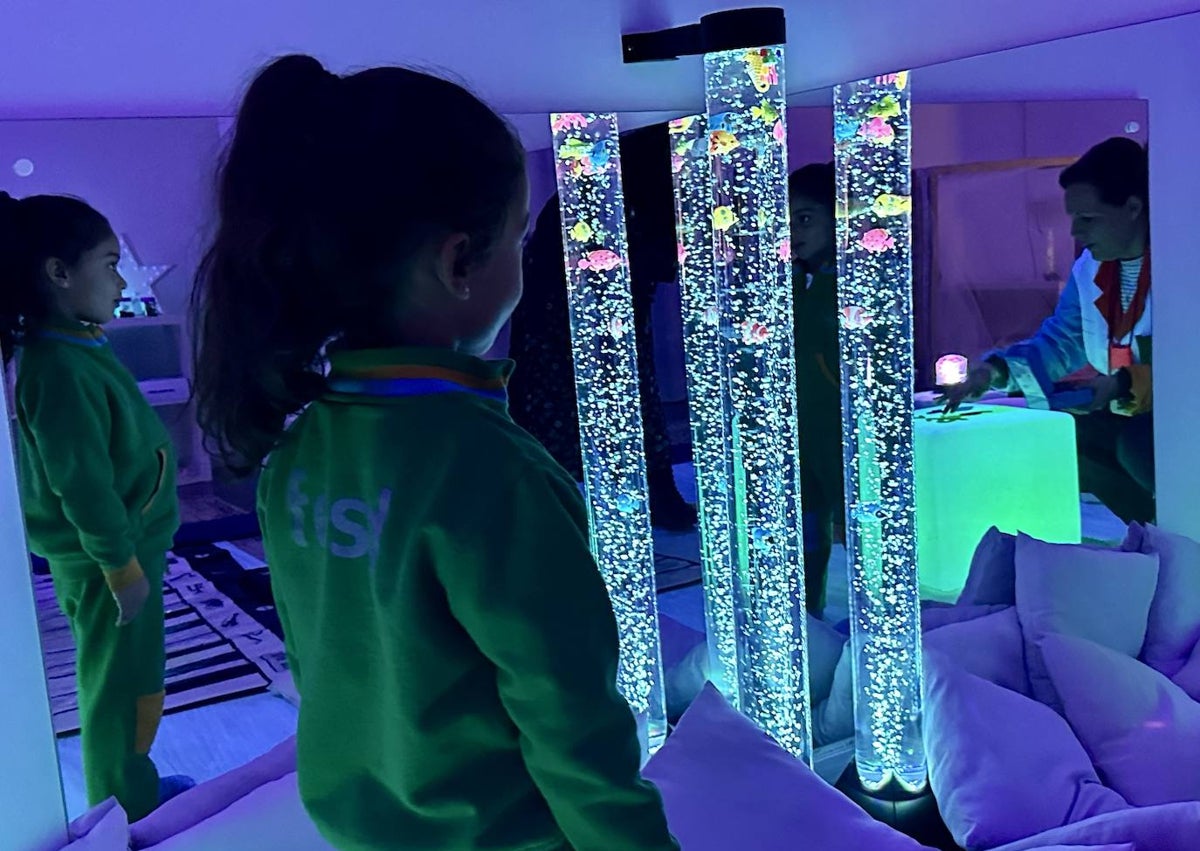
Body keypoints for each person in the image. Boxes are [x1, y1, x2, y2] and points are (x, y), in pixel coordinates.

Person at [190, 56, 678, 851]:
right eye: (516, 237)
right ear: (459, 262)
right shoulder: (493, 472)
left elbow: (326, 667)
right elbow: (570, 719)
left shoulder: (302, 444)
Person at [0, 192, 190, 820]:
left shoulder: (79, 343)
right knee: (122, 691)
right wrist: (121, 569)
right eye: (109, 264)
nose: (120, 279)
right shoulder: (56, 365)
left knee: (137, 683)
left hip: (128, 550)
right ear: (58, 273)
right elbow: (79, 482)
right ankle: (124, 809)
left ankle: (129, 786)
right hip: (110, 562)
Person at [942, 138, 1153, 523]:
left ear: (1133, 208)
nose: (1076, 232)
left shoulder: (1183, 260)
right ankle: (1150, 535)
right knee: (1063, 439)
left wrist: (1125, 383)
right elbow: (1063, 340)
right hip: (1124, 412)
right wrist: (994, 372)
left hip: (1174, 422)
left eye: (1088, 220)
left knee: (1136, 446)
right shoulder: (1090, 269)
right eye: (1073, 218)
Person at [507, 123, 698, 532]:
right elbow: (663, 259)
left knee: (570, 405)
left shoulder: (603, 183)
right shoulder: (635, 188)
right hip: (580, 315)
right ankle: (638, 501)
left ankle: (559, 504)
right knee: (614, 400)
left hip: (567, 314)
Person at [789, 163, 844, 617]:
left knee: (854, 527)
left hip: (841, 434)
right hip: (800, 433)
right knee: (806, 530)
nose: (794, 231)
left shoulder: (849, 284)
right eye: (788, 220)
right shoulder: (795, 281)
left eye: (806, 219)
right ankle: (809, 618)